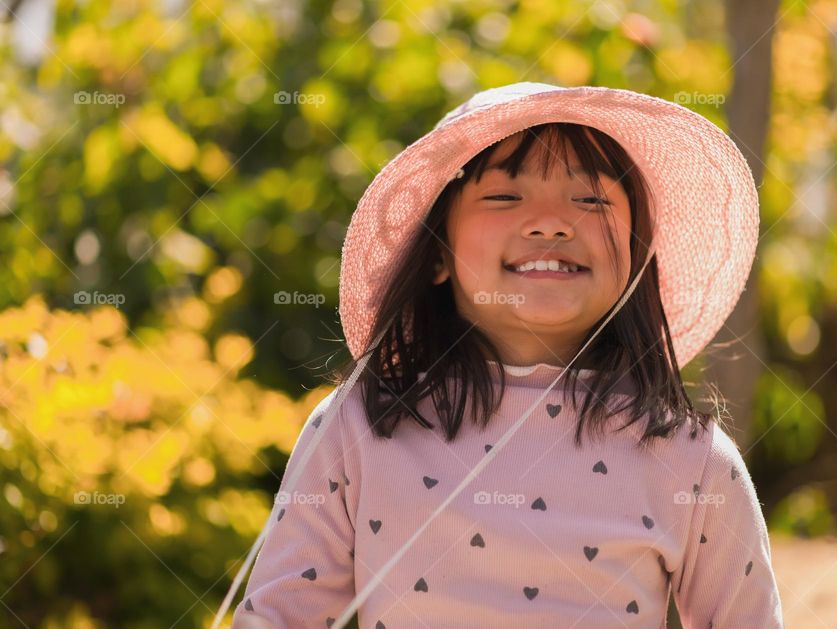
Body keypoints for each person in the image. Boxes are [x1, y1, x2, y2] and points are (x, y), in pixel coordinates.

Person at [220, 82, 785, 628]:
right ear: (436, 254)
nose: (548, 221)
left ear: (637, 261)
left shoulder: (690, 460)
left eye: (590, 198)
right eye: (503, 195)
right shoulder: (359, 427)